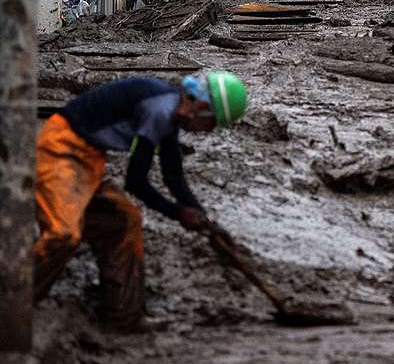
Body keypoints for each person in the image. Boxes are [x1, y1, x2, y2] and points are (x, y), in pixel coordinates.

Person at [33, 71, 248, 330]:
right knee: (62, 234)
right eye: (211, 124)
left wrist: (203, 218)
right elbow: (136, 182)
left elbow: (173, 175)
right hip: (60, 149)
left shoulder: (169, 108)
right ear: (201, 108)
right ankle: (13, 301)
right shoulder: (159, 111)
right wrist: (178, 213)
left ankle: (123, 318)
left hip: (88, 159)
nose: (206, 132)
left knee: (123, 221)